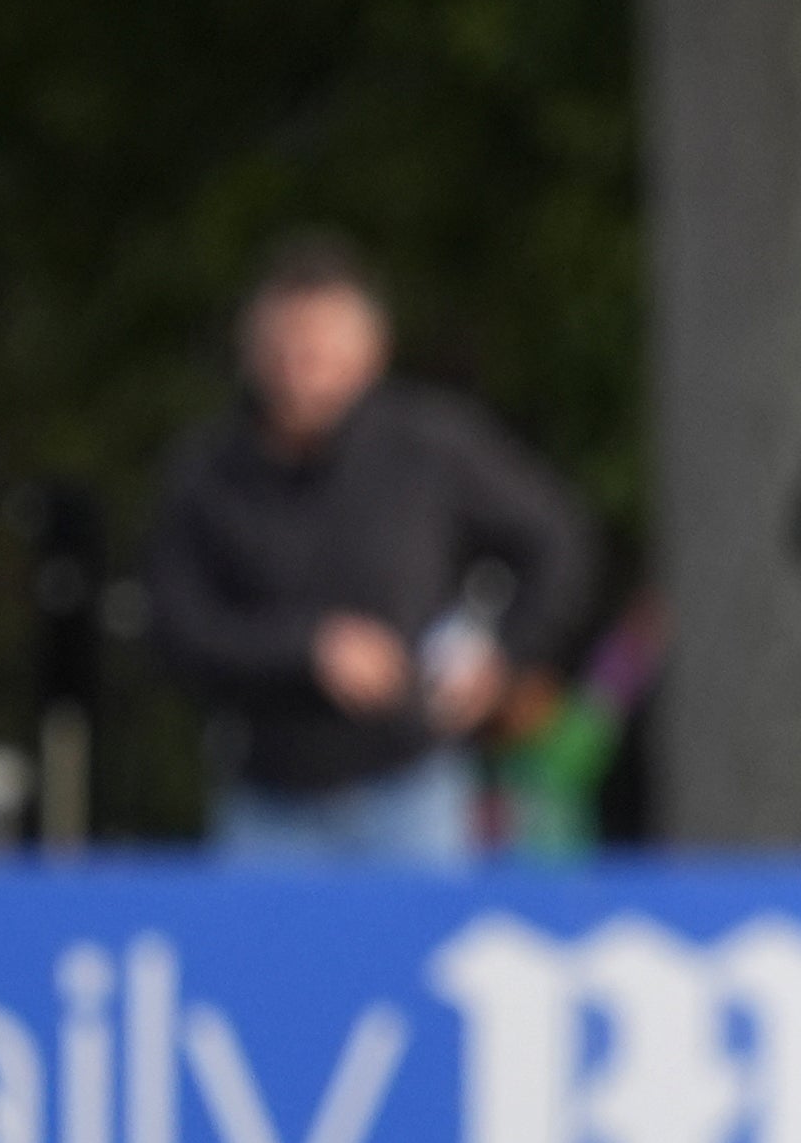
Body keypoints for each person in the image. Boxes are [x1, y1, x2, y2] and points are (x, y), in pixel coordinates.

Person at [148, 234, 597, 866]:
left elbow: (555, 542)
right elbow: (178, 629)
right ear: (253, 352)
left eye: (322, 352)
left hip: (412, 794)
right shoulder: (206, 474)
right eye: (287, 352)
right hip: (266, 801)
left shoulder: (429, 447)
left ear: (369, 352)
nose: (302, 373)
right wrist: (306, 649)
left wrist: (503, 655)